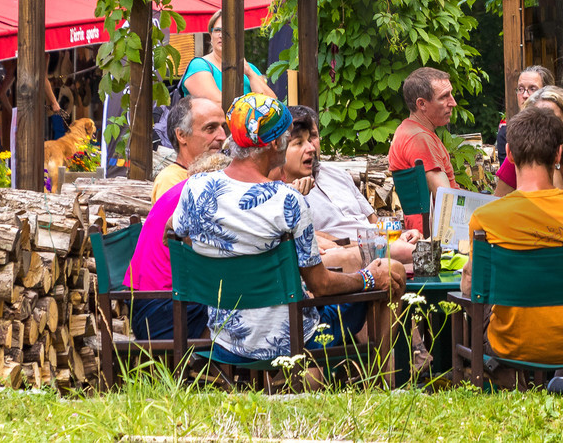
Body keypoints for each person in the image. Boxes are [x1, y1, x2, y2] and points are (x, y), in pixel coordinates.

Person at [172, 94, 405, 379]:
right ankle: (379, 383)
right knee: (391, 271)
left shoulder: (195, 187)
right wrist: (369, 278)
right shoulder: (288, 200)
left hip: (226, 339)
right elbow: (321, 285)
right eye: (287, 136)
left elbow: (174, 233)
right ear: (274, 144)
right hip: (293, 340)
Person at [466, 105, 563, 371]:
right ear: (558, 153)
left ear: (509, 154)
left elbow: (473, 288)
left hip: (509, 345)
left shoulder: (484, 217)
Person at [277, 107, 418, 267]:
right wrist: (377, 245)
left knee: (423, 245)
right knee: (413, 254)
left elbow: (373, 221)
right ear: (280, 149)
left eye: (312, 137)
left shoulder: (337, 174)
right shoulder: (282, 193)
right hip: (348, 256)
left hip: (378, 247)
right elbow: (313, 240)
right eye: (299, 142)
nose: (311, 147)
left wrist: (402, 235)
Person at [125, 150, 229, 340]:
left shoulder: (182, 190)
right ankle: (212, 357)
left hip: (145, 304)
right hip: (163, 309)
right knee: (241, 300)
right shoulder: (199, 197)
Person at [492, 86, 563, 201]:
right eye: (536, 121)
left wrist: (552, 155)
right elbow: (498, 202)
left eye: (553, 120)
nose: (544, 127)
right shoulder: (520, 151)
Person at [387, 66, 460, 229]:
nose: (453, 103)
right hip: (432, 236)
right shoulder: (419, 138)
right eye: (444, 97)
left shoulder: (410, 129)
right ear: (421, 104)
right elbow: (446, 200)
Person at [176, 11, 271, 103]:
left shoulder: (250, 68)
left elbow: (273, 105)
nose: (221, 35)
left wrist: (250, 73)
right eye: (217, 30)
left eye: (228, 30)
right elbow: (217, 104)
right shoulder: (199, 65)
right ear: (211, 35)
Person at [151, 95, 228, 201]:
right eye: (210, 128)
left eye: (223, 127)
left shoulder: (219, 174)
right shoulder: (171, 180)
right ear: (182, 135)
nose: (223, 137)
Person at [494, 65, 554, 163]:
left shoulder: (560, 129)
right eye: (520, 89)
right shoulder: (507, 134)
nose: (525, 95)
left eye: (532, 89)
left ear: (547, 93)